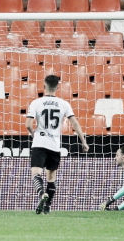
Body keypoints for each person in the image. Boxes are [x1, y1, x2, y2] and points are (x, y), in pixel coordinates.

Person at [26, 74, 89, 215]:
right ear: (57, 87)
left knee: (36, 174)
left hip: (39, 143)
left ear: (44, 86)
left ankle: (42, 194)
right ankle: (47, 208)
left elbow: (28, 124)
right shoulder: (64, 104)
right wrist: (83, 142)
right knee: (51, 178)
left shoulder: (36, 103)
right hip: (55, 145)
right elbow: (74, 123)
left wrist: (33, 134)